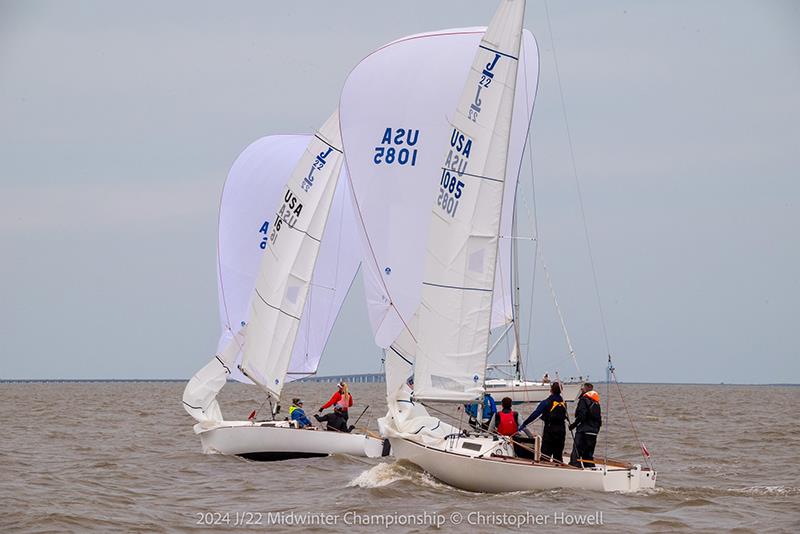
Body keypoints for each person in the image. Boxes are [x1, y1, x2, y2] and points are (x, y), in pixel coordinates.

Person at [518, 382, 567, 462]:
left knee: (545, 455)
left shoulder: (546, 402)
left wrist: (524, 423)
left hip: (550, 430)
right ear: (561, 390)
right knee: (558, 456)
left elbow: (535, 414)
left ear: (551, 390)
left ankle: (544, 469)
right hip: (561, 430)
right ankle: (558, 469)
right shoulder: (564, 403)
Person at [569, 383, 602, 468]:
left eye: (582, 388)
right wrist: (596, 430)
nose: (581, 390)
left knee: (576, 454)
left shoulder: (584, 400)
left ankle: (574, 468)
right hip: (593, 433)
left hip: (583, 432)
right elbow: (599, 420)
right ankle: (590, 469)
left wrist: (573, 425)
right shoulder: (596, 402)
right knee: (588, 456)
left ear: (587, 389)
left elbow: (582, 415)